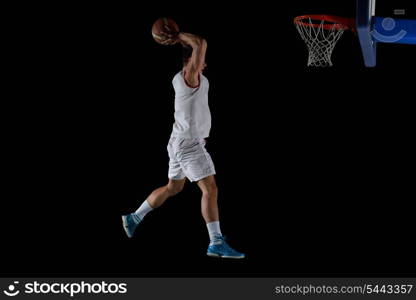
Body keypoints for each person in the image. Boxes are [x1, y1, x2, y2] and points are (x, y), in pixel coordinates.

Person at [122, 28, 244, 259]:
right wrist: (177, 35)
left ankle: (134, 217)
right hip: (188, 144)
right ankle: (216, 242)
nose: (204, 62)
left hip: (180, 140)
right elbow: (200, 43)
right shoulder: (189, 75)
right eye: (199, 59)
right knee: (210, 189)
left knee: (173, 188)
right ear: (189, 61)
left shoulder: (190, 78)